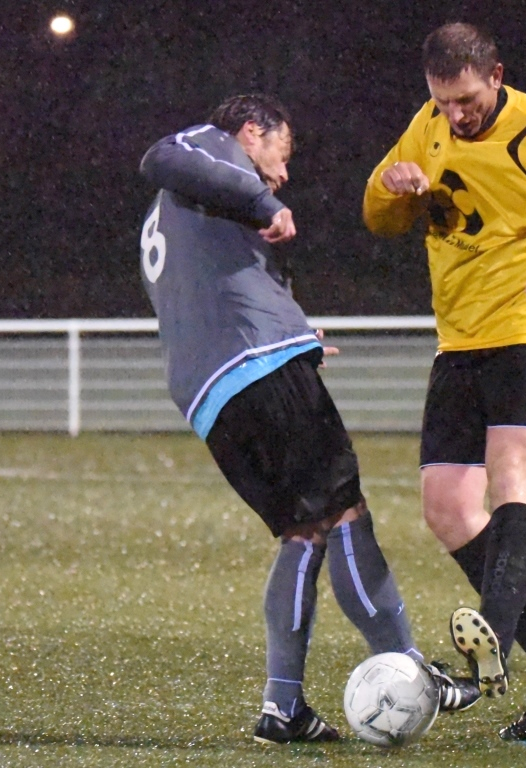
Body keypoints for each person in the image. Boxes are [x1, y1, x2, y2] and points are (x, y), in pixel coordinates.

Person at [138, 94, 480, 745]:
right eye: (281, 153)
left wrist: (294, 332)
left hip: (212, 395)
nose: (284, 172)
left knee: (302, 532)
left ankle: (283, 707)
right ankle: (412, 671)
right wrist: (263, 203)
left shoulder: (171, 214)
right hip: (257, 368)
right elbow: (160, 155)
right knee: (346, 514)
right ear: (250, 131)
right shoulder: (208, 149)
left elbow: (215, 286)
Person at [362, 23, 526, 740]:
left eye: (468, 100)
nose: (456, 114)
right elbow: (379, 217)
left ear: (496, 76)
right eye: (443, 101)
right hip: (460, 339)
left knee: (512, 479)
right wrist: (390, 187)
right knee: (446, 509)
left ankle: (489, 654)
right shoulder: (429, 124)